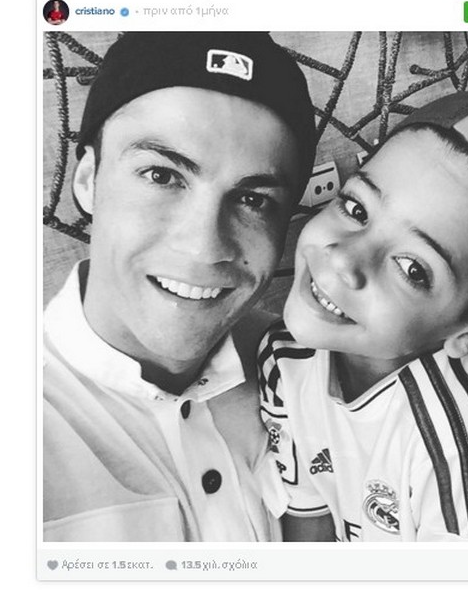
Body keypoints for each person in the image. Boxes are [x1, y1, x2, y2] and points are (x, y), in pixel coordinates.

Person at [43, 32, 316, 541]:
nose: (203, 247)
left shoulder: (309, 372)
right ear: (87, 180)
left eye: (253, 200)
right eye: (162, 176)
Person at [258, 92, 468, 542]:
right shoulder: (284, 356)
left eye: (413, 269)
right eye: (356, 208)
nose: (344, 259)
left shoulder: (465, 464)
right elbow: (308, 520)